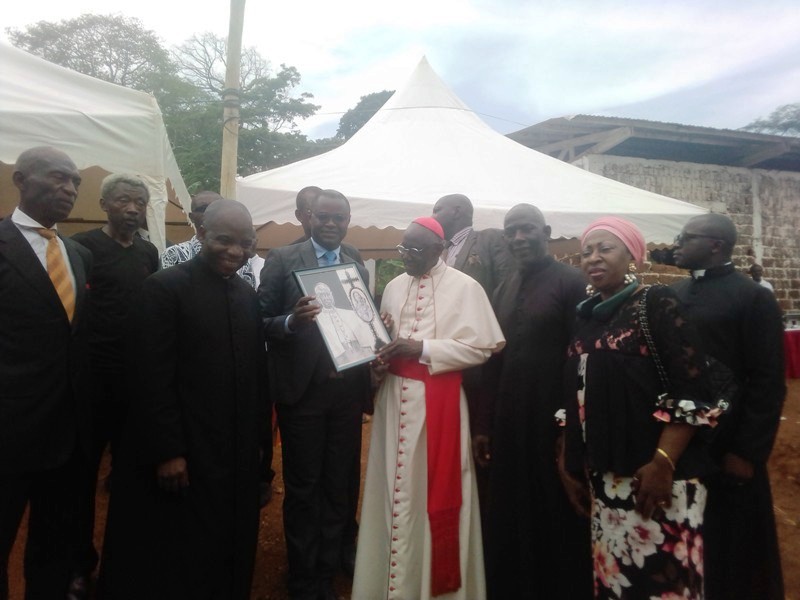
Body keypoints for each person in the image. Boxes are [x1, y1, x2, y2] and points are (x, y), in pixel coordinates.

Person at [98, 200, 269, 600]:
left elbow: (258, 377)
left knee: (225, 546)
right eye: (224, 240)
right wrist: (168, 451)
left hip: (231, 452)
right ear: (201, 233)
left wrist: (262, 453)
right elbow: (148, 377)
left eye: (244, 243)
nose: (235, 251)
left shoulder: (245, 294)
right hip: (184, 449)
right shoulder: (163, 289)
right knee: (173, 552)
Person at [560, 216, 721, 599]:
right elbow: (574, 393)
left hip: (656, 477)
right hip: (605, 479)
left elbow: (693, 390)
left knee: (665, 584)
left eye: (605, 248)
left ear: (632, 255)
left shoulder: (656, 303)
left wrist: (663, 461)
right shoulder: (586, 317)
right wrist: (567, 459)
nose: (593, 258)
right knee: (617, 582)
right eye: (586, 252)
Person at [352, 217, 505, 600]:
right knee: (390, 492)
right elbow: (383, 342)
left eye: (416, 251)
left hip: (437, 404)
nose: (406, 258)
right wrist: (381, 360)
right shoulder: (392, 286)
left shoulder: (466, 287)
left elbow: (484, 347)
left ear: (439, 250)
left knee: (427, 495)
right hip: (393, 401)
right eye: (403, 249)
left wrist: (422, 348)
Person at [473, 204, 591, 599]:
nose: (519, 238)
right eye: (512, 232)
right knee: (509, 508)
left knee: (553, 509)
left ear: (547, 231)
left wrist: (568, 429)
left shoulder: (572, 283)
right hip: (509, 421)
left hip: (552, 422)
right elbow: (494, 359)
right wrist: (483, 425)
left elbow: (582, 362)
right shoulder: (503, 287)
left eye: (527, 229)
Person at [259, 189, 371, 600]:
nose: (330, 223)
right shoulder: (284, 259)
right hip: (303, 394)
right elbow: (260, 318)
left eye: (338, 217)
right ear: (308, 218)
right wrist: (292, 321)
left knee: (339, 482)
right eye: (322, 216)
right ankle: (305, 576)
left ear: (347, 220)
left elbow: (362, 316)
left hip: (346, 393)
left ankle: (333, 559)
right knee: (304, 486)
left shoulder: (354, 259)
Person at [672, 214, 785, 600]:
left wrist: (747, 451)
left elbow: (768, 380)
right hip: (681, 442)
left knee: (733, 545)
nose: (678, 244)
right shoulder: (672, 293)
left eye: (687, 238)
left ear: (716, 245)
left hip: (730, 443)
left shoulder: (753, 297)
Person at [0, 147, 92, 599]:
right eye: (58, 178)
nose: (70, 189)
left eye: (74, 182)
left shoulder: (76, 254)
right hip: (8, 431)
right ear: (20, 179)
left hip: (66, 434)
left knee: (52, 547)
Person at [70, 173, 159, 587]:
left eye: (139, 202)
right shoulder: (83, 249)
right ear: (105, 204)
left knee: (131, 473)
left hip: (136, 382)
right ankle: (79, 565)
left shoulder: (148, 252)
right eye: (124, 200)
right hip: (91, 382)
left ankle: (123, 564)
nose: (132, 209)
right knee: (82, 475)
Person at [160, 190, 257, 287]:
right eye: (204, 208)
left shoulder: (240, 260)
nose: (211, 211)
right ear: (192, 217)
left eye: (219, 207)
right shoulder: (173, 254)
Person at [432, 193, 512, 298]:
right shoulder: (437, 248)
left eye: (436, 210)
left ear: (456, 212)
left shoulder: (489, 239)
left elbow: (506, 284)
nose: (431, 217)